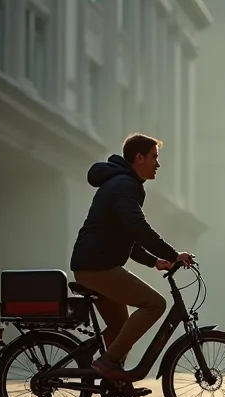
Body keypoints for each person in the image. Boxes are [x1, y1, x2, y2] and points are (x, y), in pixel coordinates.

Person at [69, 133, 194, 382]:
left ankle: (102, 369)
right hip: (97, 266)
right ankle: (107, 363)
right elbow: (138, 228)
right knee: (154, 304)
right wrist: (173, 254)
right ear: (139, 157)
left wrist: (154, 261)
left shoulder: (126, 185)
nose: (158, 164)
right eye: (154, 157)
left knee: (119, 327)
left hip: (95, 264)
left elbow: (128, 236)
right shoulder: (124, 185)